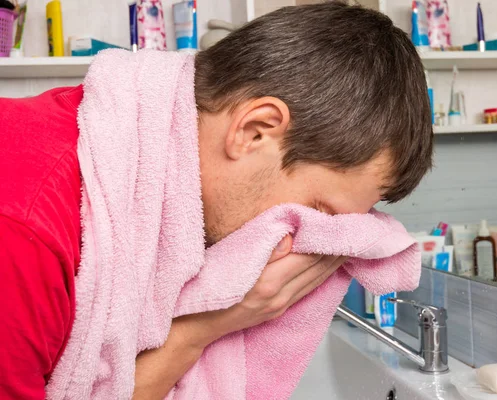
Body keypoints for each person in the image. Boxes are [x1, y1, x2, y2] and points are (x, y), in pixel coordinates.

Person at [0, 2, 432, 399]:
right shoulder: (23, 230)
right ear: (254, 131)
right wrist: (205, 325)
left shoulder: (119, 157)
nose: (312, 244)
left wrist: (203, 328)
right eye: (319, 213)